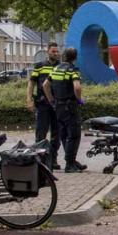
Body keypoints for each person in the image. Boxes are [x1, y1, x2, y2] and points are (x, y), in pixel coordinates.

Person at [43, 47, 87, 173]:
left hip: (58, 107)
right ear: (75, 57)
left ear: (63, 56)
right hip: (70, 107)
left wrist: (52, 100)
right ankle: (69, 164)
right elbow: (77, 87)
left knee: (63, 134)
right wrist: (79, 100)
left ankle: (71, 160)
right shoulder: (72, 70)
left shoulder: (56, 69)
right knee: (74, 135)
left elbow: (45, 85)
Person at [27, 42, 61, 170]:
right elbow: (31, 84)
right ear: (48, 51)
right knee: (41, 133)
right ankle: (40, 160)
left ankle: (53, 160)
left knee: (56, 134)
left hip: (57, 105)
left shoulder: (61, 66)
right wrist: (29, 99)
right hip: (42, 105)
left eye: (57, 52)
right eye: (53, 51)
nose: (56, 54)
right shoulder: (39, 66)